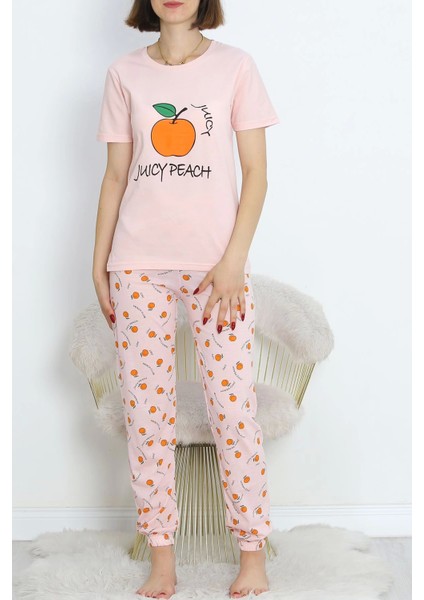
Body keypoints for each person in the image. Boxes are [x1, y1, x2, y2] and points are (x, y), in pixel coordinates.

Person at [92, 0, 280, 597]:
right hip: (136, 264)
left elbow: (256, 172)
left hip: (216, 267)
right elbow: (116, 175)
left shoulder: (236, 66)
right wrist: (99, 261)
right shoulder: (124, 73)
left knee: (233, 410)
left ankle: (252, 552)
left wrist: (233, 261)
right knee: (147, 416)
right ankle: (162, 557)